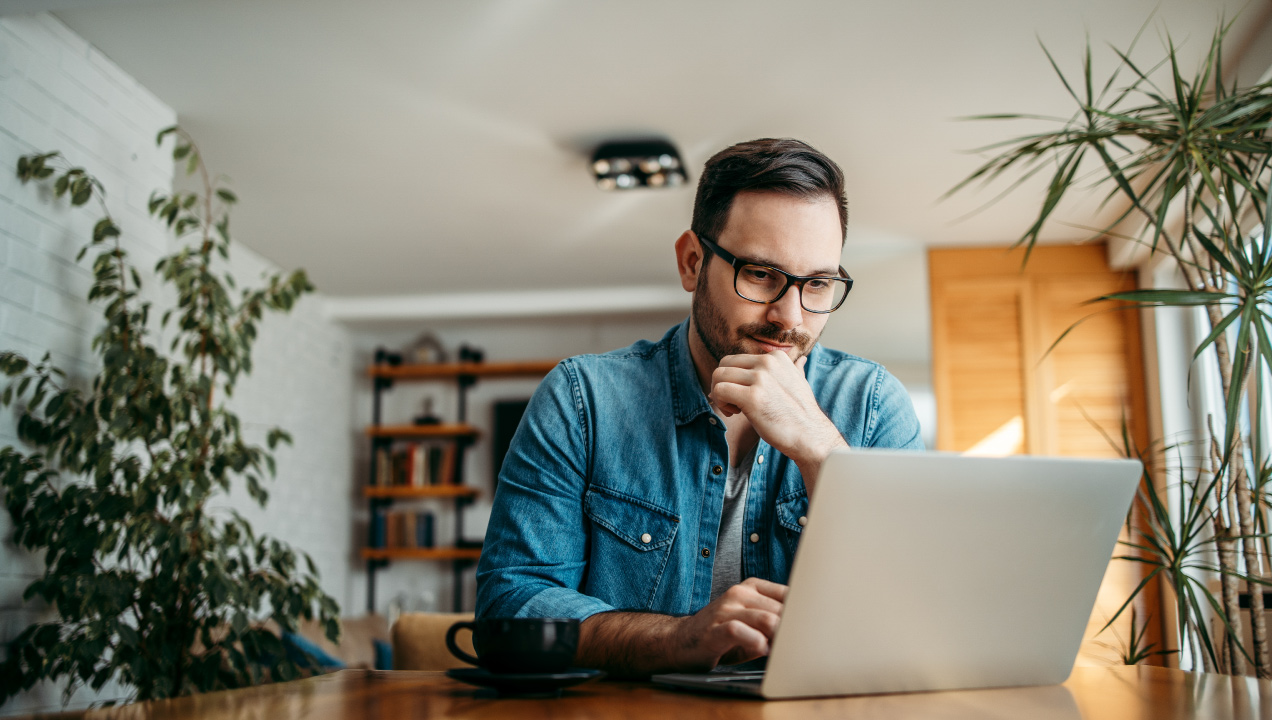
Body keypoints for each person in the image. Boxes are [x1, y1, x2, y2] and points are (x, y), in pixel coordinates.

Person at [475, 138, 923, 677]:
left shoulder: (873, 405)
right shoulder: (581, 399)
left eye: (818, 284)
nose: (790, 317)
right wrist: (679, 638)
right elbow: (511, 607)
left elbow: (920, 615)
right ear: (692, 263)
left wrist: (821, 452)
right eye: (760, 274)